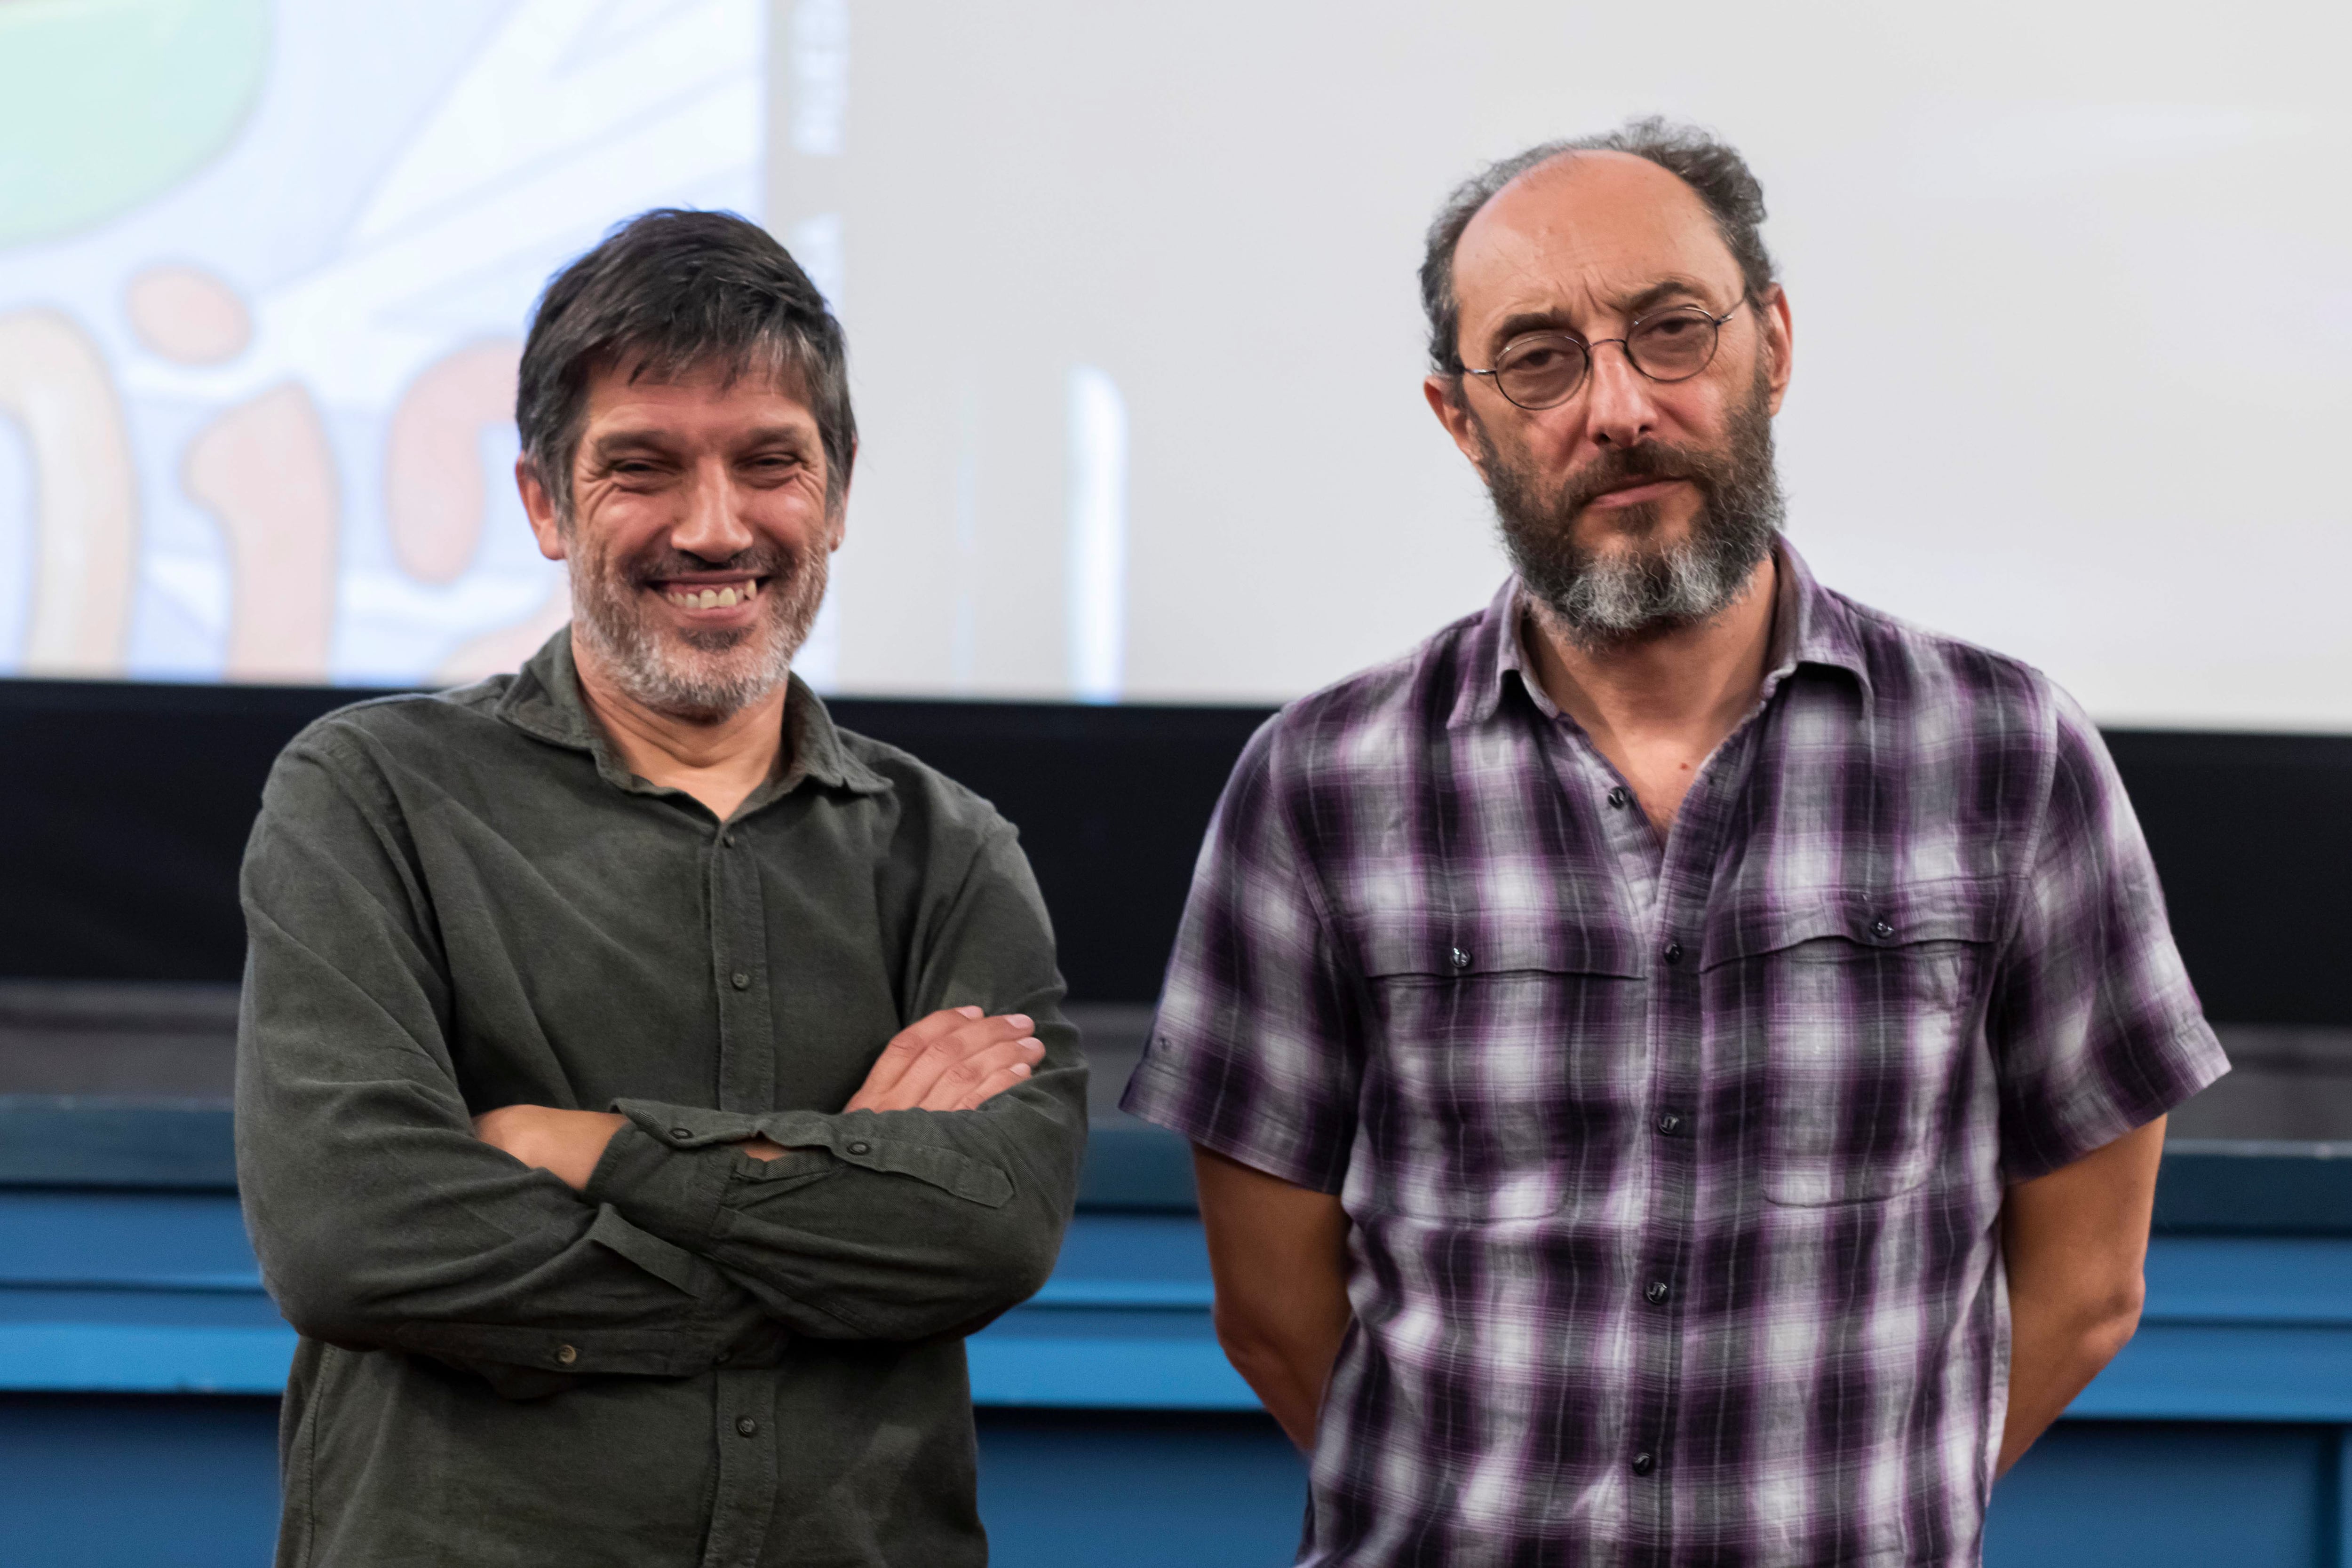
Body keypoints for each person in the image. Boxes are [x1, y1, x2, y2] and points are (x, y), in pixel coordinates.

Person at [1121, 119, 2227, 1566]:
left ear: (1771, 341)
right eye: (1539, 360)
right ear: (1464, 421)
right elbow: (1271, 1313)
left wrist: (1869, 1515)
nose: (1620, 408)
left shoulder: (2009, 758)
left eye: (1671, 332)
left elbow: (2088, 1290)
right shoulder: (1321, 787)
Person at [236, 209, 1085, 1567]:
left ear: (841, 490)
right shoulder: (372, 796)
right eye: (642, 466)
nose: (713, 526)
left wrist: (594, 1153)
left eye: (770, 463)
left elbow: (988, 1237)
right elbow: (355, 1237)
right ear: (543, 502)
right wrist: (836, 1230)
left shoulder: (952, 850)